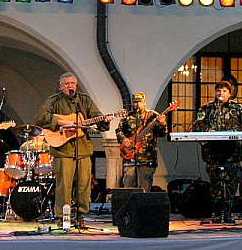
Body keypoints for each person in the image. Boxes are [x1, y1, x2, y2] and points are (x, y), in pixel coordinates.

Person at [35, 72, 112, 229]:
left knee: (84, 185)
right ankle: (62, 217)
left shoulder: (83, 100)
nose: (70, 86)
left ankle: (80, 215)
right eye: (67, 84)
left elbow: (96, 118)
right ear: (60, 86)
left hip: (82, 149)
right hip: (62, 150)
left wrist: (104, 120)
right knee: (64, 186)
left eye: (73, 83)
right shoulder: (54, 100)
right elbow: (40, 118)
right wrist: (61, 121)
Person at [192, 80, 242, 224]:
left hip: (232, 154)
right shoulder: (206, 108)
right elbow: (197, 126)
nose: (221, 93)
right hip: (213, 154)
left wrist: (234, 133)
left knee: (231, 184)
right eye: (218, 90)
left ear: (229, 94)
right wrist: (208, 132)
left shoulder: (238, 108)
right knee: (215, 185)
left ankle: (229, 213)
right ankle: (216, 213)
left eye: (224, 91)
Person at [115, 92, 167, 192]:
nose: (137, 104)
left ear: (144, 102)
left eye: (139, 102)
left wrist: (162, 123)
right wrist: (123, 139)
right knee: (128, 186)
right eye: (134, 102)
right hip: (130, 156)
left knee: (145, 187)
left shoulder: (153, 115)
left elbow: (162, 134)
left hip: (147, 157)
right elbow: (119, 131)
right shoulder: (128, 117)